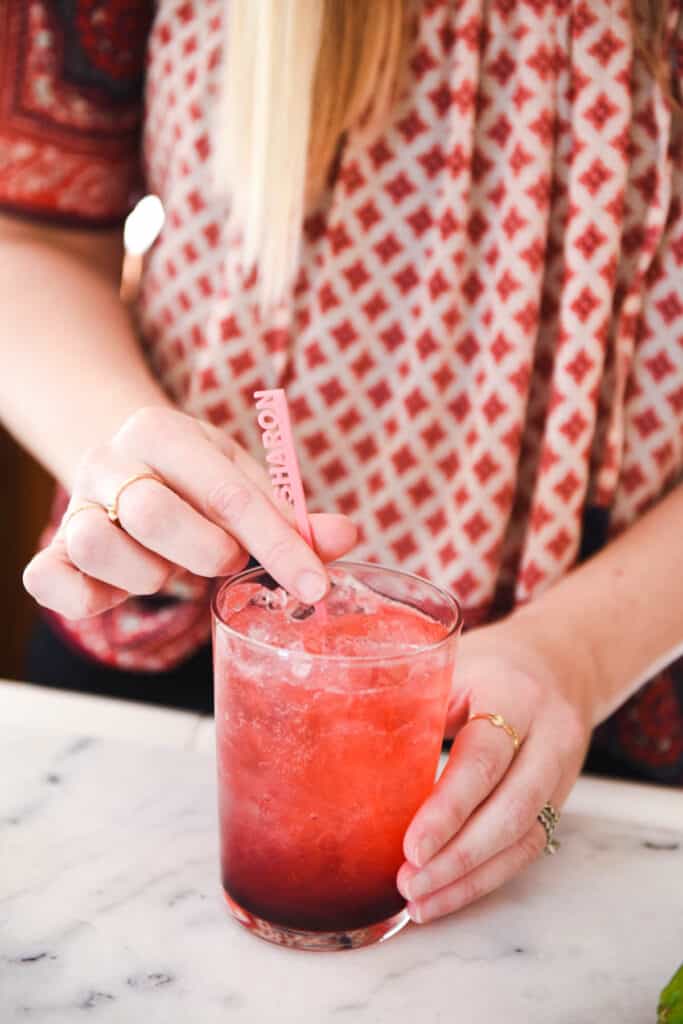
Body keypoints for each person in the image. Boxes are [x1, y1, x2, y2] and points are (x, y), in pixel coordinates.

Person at [4, 0, 681, 926]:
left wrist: (578, 650)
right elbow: (29, 233)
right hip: (168, 654)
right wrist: (120, 447)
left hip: (606, 695)